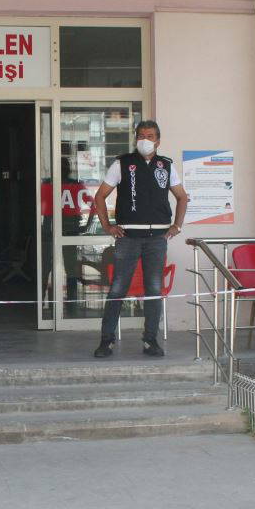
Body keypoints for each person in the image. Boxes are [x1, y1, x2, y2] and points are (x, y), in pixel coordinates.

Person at [91, 120, 188, 358]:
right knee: (118, 288)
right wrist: (107, 226)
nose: (145, 139)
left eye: (150, 136)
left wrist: (177, 225)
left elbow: (182, 197)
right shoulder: (122, 163)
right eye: (141, 135)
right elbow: (100, 196)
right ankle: (106, 340)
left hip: (157, 238)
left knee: (153, 289)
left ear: (158, 141)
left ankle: (150, 340)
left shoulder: (166, 165)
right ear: (136, 139)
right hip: (128, 237)